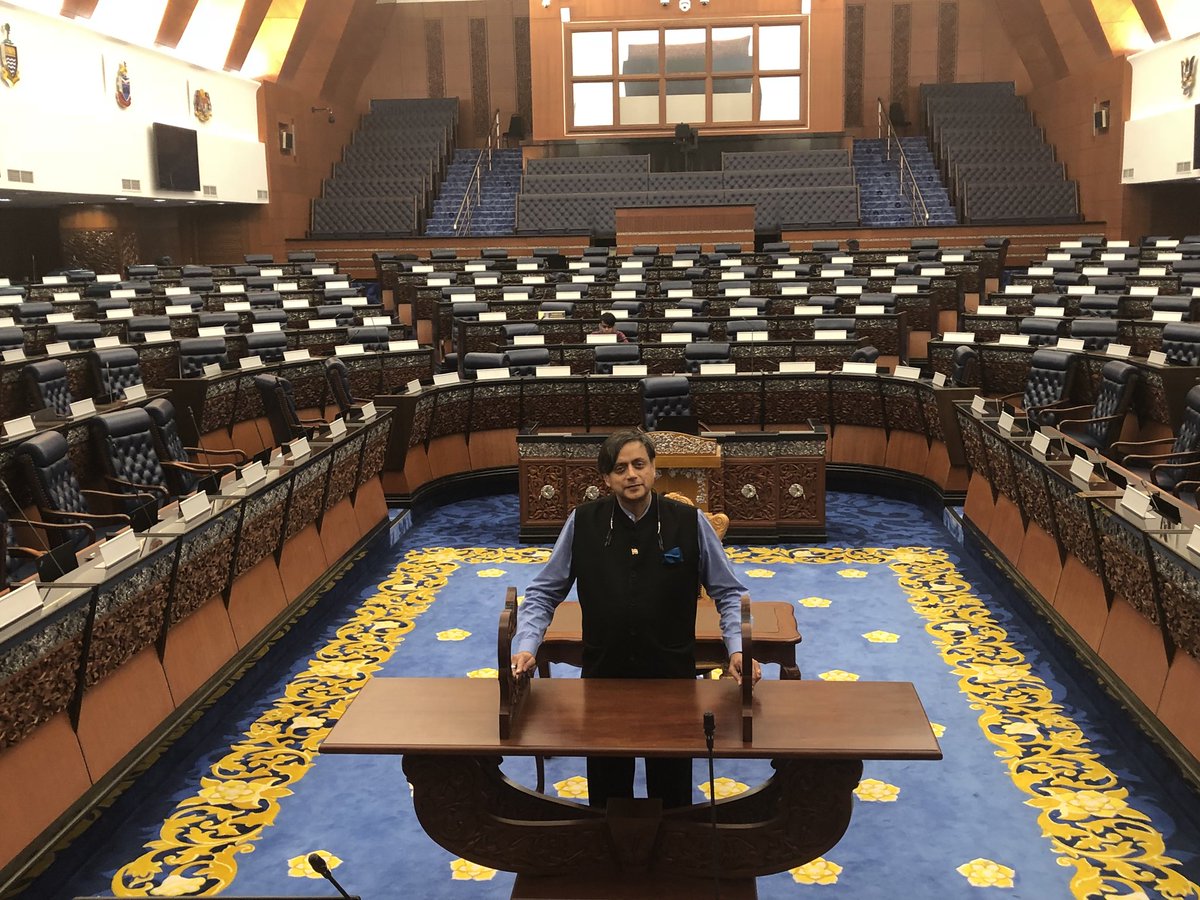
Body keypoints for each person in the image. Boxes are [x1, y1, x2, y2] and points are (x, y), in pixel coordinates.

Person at [511, 430, 760, 809]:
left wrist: (737, 649)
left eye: (639, 465)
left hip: (671, 676)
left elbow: (728, 592)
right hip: (604, 677)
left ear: (654, 470)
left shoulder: (689, 522)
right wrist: (527, 646)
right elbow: (545, 591)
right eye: (620, 468)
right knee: (608, 793)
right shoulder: (583, 522)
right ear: (606, 479)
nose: (631, 475)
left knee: (672, 790)